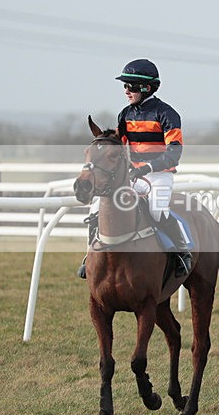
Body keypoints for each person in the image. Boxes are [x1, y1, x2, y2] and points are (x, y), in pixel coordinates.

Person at [78, 58, 192, 279]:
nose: (126, 91)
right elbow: (118, 150)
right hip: (132, 176)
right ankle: (89, 255)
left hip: (159, 176)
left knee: (157, 211)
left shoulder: (167, 114)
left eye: (130, 86)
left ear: (146, 88)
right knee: (95, 209)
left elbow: (174, 153)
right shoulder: (125, 114)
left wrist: (147, 167)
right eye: (125, 86)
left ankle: (181, 252)